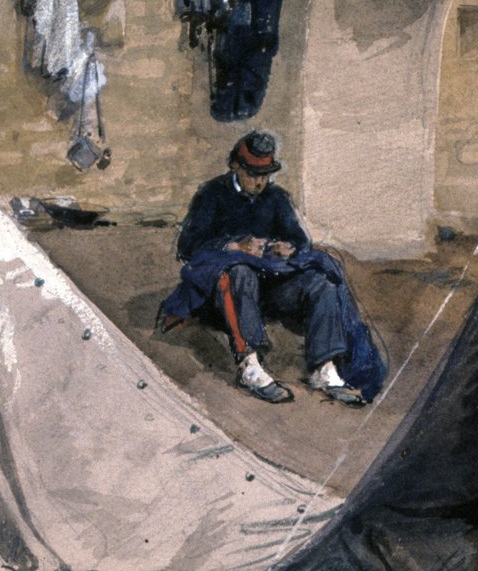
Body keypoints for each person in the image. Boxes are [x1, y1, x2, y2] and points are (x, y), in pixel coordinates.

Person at [158, 132, 385, 406]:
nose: (259, 182)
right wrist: (234, 246)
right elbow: (188, 246)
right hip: (222, 294)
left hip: (269, 289)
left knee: (321, 282)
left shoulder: (276, 197)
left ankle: (324, 369)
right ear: (236, 166)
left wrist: (288, 247)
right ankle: (250, 366)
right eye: (253, 174)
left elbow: (301, 241)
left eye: (265, 175)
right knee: (239, 272)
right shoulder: (212, 195)